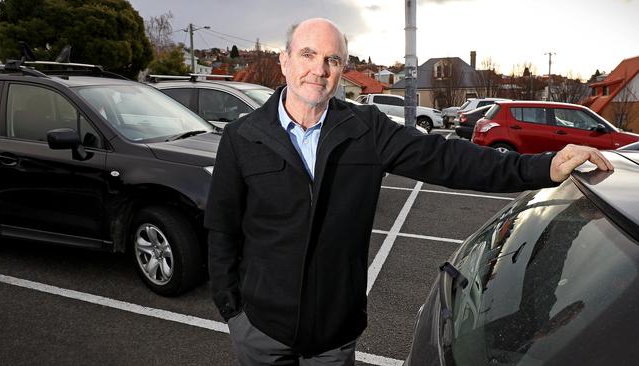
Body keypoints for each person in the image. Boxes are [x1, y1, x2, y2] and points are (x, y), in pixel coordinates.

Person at [204, 18, 613, 365]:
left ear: (343, 68)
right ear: (285, 61)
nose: (319, 69)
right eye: (308, 55)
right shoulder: (244, 136)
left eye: (332, 59)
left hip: (333, 337)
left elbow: (451, 159)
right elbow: (221, 228)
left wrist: (545, 166)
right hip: (261, 332)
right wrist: (234, 313)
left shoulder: (367, 130)